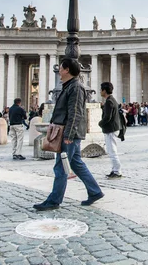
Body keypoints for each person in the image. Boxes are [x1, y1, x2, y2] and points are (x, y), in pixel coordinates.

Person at [34, 58, 104, 211]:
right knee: (76, 164)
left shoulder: (76, 87)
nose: (58, 70)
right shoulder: (69, 86)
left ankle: (54, 200)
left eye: (60, 67)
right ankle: (95, 191)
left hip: (68, 133)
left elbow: (76, 113)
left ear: (67, 70)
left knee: (60, 167)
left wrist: (69, 135)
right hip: (66, 132)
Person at [98, 82, 123, 179]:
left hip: (110, 129)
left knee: (112, 151)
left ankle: (117, 171)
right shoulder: (111, 100)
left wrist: (100, 123)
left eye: (101, 90)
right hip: (112, 128)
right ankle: (114, 170)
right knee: (111, 150)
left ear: (104, 90)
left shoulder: (109, 102)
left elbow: (107, 117)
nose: (100, 91)